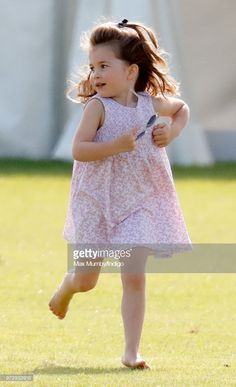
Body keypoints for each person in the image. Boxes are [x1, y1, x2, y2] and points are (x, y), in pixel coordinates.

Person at [49, 18, 192, 370]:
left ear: (130, 71)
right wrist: (114, 145)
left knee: (133, 274)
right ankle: (68, 287)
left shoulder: (148, 103)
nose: (95, 74)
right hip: (96, 201)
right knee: (87, 279)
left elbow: (181, 108)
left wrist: (171, 132)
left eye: (104, 66)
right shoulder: (97, 107)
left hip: (138, 200)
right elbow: (79, 150)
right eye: (93, 67)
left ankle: (131, 352)